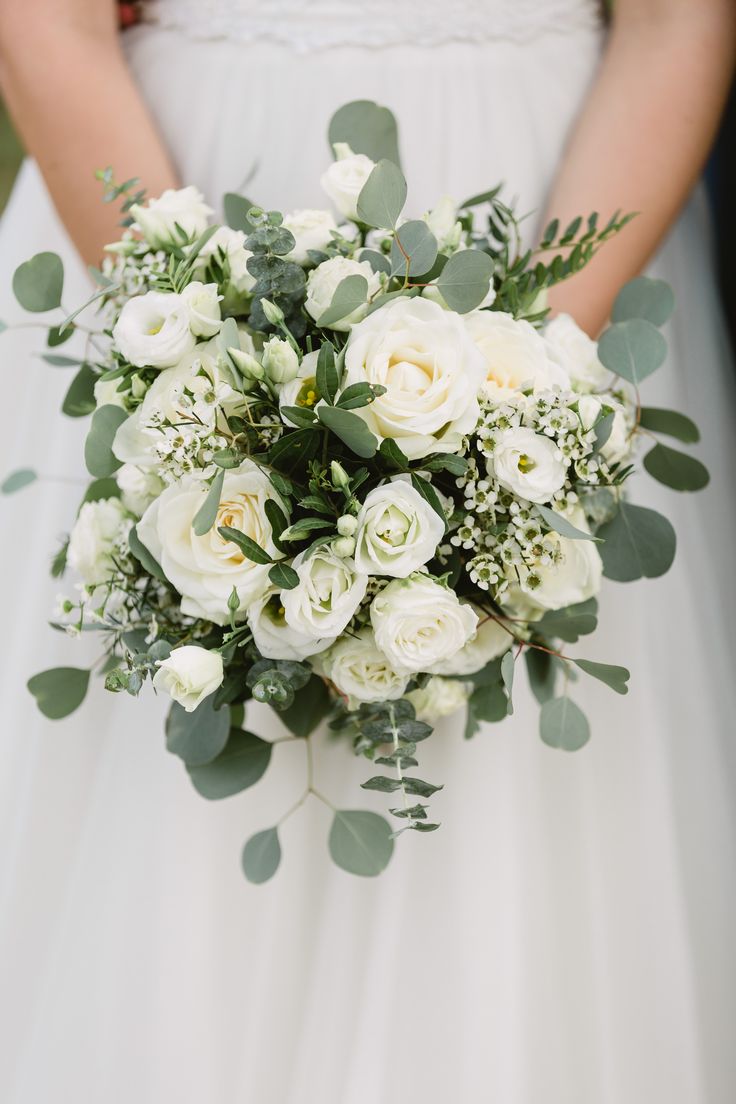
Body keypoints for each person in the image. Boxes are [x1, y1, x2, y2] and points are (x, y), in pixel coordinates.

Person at [0, 1, 734, 1101]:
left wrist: (516, 399)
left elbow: (676, 20)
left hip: (555, 206)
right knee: (167, 797)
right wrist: (203, 369)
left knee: (519, 827)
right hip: (173, 193)